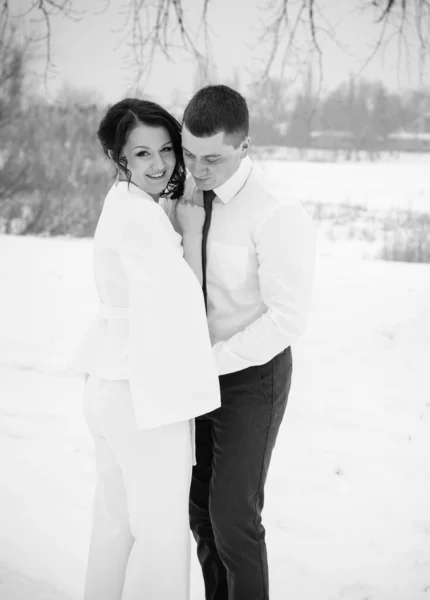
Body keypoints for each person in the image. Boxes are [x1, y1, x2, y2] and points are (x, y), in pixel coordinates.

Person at [70, 98, 221, 600]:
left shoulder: (123, 204)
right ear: (119, 159)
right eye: (141, 154)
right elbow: (188, 312)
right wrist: (193, 232)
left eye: (165, 150)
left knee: (114, 527)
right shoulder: (143, 221)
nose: (159, 165)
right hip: (144, 399)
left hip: (110, 388)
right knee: (161, 538)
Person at [175, 85, 316, 600]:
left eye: (211, 158)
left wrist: (212, 361)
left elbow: (287, 318)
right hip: (197, 374)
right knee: (198, 513)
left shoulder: (277, 211)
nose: (196, 168)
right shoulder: (187, 196)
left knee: (234, 518)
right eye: (189, 153)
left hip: (252, 376)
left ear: (245, 147)